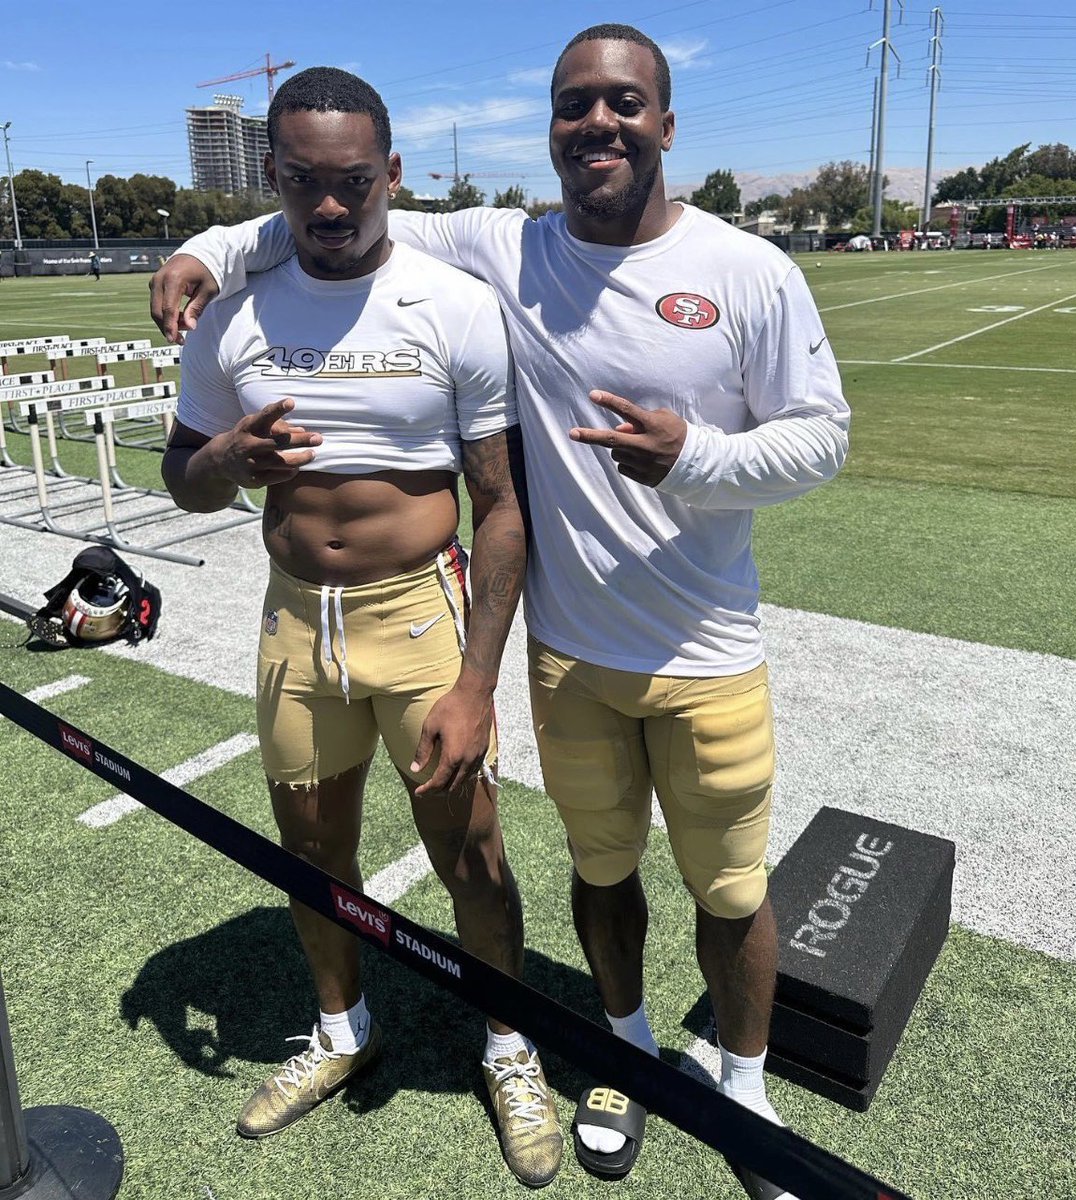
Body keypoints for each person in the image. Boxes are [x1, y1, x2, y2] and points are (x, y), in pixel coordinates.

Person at [151, 28, 849, 1199]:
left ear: (666, 124)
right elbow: (330, 206)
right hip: (559, 655)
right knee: (593, 871)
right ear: (551, 130)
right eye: (575, 104)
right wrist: (208, 242)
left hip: (705, 647)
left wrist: (699, 458)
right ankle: (608, 1051)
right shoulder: (505, 247)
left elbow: (823, 436)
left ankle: (736, 1087)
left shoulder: (748, 268)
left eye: (626, 102)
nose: (599, 123)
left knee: (725, 888)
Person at [159, 67, 562, 1189]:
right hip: (296, 625)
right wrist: (224, 464)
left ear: (391, 175)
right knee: (311, 851)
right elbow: (182, 474)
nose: (329, 208)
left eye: (351, 182)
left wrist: (478, 681)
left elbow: (499, 503)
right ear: (272, 180)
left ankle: (508, 1042)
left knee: (468, 851)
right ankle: (345, 1029)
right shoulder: (232, 315)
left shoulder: (453, 304)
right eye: (303, 183)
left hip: (420, 616)